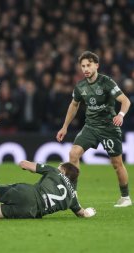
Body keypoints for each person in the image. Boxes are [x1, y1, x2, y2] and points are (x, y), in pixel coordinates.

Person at [56, 51, 132, 207]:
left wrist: (121, 115)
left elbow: (125, 100)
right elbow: (74, 105)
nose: (85, 69)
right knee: (73, 153)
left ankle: (125, 197)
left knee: (117, 164)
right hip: (90, 126)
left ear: (96, 65)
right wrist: (64, 127)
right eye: (83, 66)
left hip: (109, 127)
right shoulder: (80, 86)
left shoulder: (106, 82)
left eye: (88, 65)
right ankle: (73, 193)